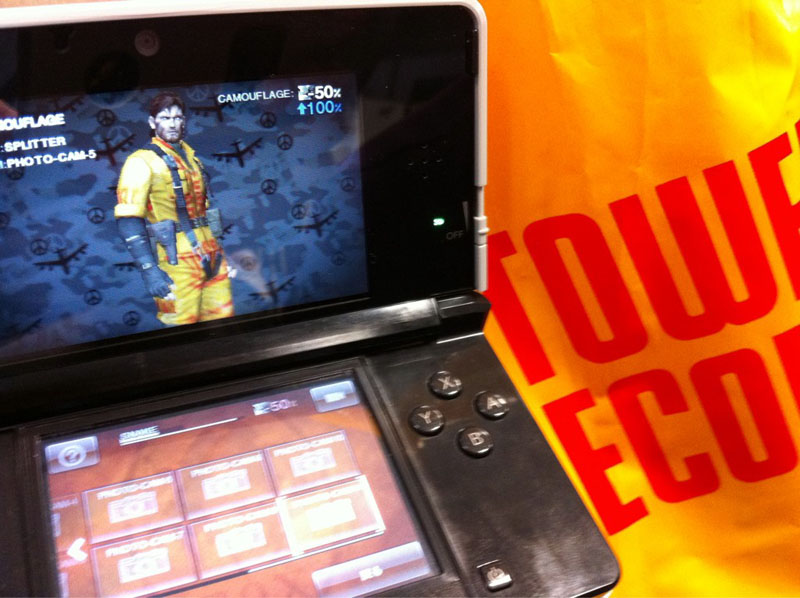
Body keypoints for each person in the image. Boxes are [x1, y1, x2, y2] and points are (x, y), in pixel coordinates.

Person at [115, 91, 233, 325]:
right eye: (165, 118)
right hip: (176, 261)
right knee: (180, 328)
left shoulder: (192, 158)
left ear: (184, 121)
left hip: (212, 254)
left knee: (224, 323)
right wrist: (149, 269)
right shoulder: (141, 161)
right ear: (152, 122)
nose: (172, 124)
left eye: (177, 118)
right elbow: (129, 218)